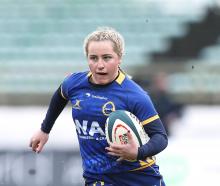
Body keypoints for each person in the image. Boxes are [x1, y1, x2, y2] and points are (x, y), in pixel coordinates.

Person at [29, 27, 168, 186]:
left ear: (119, 58)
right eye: (93, 58)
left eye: (107, 58)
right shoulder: (75, 83)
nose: (99, 65)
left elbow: (160, 137)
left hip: (139, 178)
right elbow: (60, 95)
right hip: (97, 178)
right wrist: (45, 129)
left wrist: (137, 152)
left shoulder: (135, 95)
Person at [150, 72, 183, 137]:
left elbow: (178, 112)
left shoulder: (171, 98)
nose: (161, 84)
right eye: (158, 82)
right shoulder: (149, 97)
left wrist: (172, 116)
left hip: (166, 132)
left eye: (163, 82)